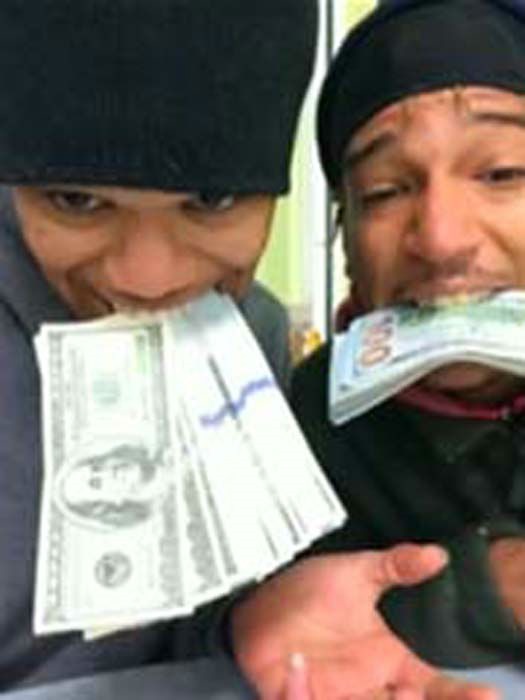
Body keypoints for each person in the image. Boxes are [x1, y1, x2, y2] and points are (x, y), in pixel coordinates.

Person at [0, 0, 499, 697]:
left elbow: (170, 632)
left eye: (211, 200)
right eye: (76, 202)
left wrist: (249, 622)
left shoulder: (247, 337)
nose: (149, 279)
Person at [231, 0, 525, 695]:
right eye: (385, 190)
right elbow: (302, 616)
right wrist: (487, 587)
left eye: (501, 174)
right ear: (346, 247)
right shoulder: (307, 427)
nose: (442, 240)